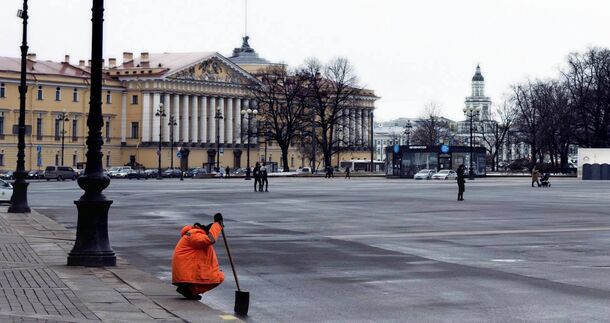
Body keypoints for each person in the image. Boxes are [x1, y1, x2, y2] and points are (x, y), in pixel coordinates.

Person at [172, 213, 225, 300]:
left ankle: (188, 290)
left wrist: (215, 226)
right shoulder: (194, 234)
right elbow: (210, 239)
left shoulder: (192, 233)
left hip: (187, 270)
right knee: (218, 277)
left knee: (216, 276)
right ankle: (189, 290)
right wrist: (217, 225)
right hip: (187, 271)